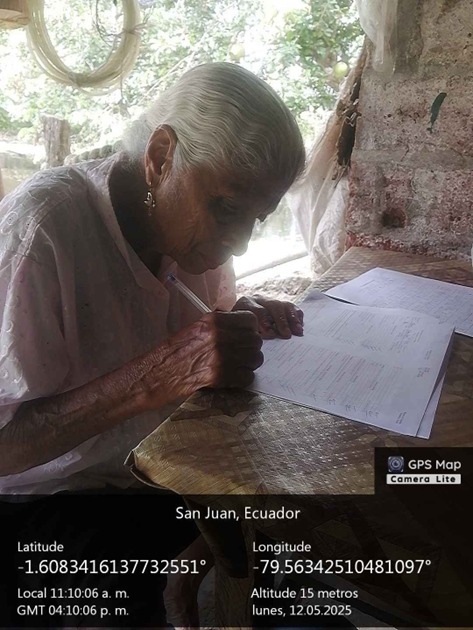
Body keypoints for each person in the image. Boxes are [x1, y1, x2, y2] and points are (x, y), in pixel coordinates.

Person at [0, 62, 305, 624]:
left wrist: (237, 315)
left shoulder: (191, 237)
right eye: (227, 208)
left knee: (289, 537)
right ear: (162, 157)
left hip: (152, 472)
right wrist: (157, 376)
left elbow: (192, 325)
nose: (239, 242)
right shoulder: (43, 230)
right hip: (48, 496)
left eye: (257, 219)